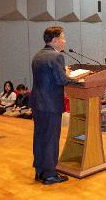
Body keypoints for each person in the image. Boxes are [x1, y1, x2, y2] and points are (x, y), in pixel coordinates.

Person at [30, 26, 70, 184]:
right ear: (55, 40)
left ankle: (40, 171)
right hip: (50, 105)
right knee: (51, 139)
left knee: (39, 137)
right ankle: (50, 174)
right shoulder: (56, 56)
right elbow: (62, 80)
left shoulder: (37, 55)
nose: (64, 41)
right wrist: (68, 73)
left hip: (37, 103)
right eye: (62, 37)